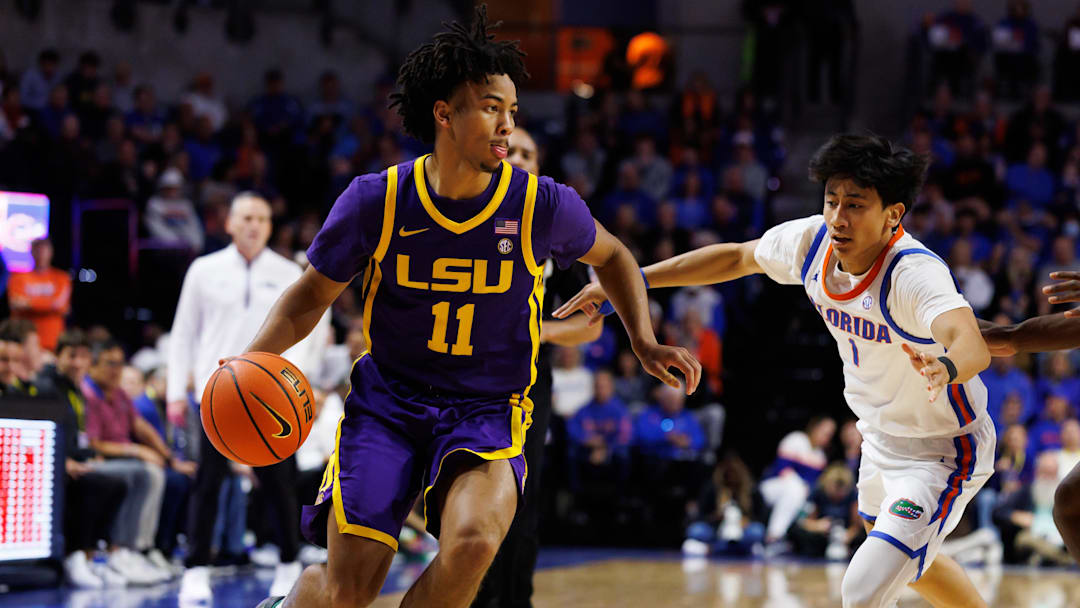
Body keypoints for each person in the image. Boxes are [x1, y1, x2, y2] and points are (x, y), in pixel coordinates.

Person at [252, 8, 699, 608]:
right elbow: (310, 297)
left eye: (512, 112)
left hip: (486, 406)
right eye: (492, 107)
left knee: (471, 542)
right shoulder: (377, 201)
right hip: (388, 404)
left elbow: (614, 256)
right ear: (445, 114)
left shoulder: (541, 204)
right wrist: (251, 363)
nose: (507, 127)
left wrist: (643, 341)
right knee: (344, 595)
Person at [558, 133, 995, 607]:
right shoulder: (812, 243)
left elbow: (970, 339)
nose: (838, 217)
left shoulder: (911, 273)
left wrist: (946, 366)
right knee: (910, 562)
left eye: (855, 205)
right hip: (880, 436)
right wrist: (633, 280)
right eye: (832, 200)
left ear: (893, 214)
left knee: (863, 587)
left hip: (941, 450)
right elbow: (737, 257)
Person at [171, 192, 330, 602]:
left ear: (270, 225)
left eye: (261, 218)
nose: (253, 225)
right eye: (245, 217)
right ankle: (196, 570)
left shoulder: (288, 270)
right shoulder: (203, 270)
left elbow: (316, 319)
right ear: (229, 223)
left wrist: (302, 381)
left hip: (273, 397)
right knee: (207, 483)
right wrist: (175, 391)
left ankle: (288, 563)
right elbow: (183, 333)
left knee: (280, 486)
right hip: (214, 394)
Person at [473, 126, 603, 608]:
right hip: (461, 377)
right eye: (514, 150)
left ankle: (516, 601)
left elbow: (591, 323)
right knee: (468, 500)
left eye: (531, 154)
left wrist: (539, 331)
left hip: (526, 381)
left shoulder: (552, 226)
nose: (522, 159)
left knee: (520, 498)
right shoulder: (460, 214)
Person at [7, 238, 71, 351]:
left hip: (52, 341)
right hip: (23, 340)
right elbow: (16, 303)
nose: (41, 254)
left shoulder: (62, 278)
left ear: (51, 253)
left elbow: (60, 305)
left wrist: (29, 303)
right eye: (37, 250)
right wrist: (48, 304)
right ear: (31, 252)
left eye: (44, 250)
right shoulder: (17, 278)